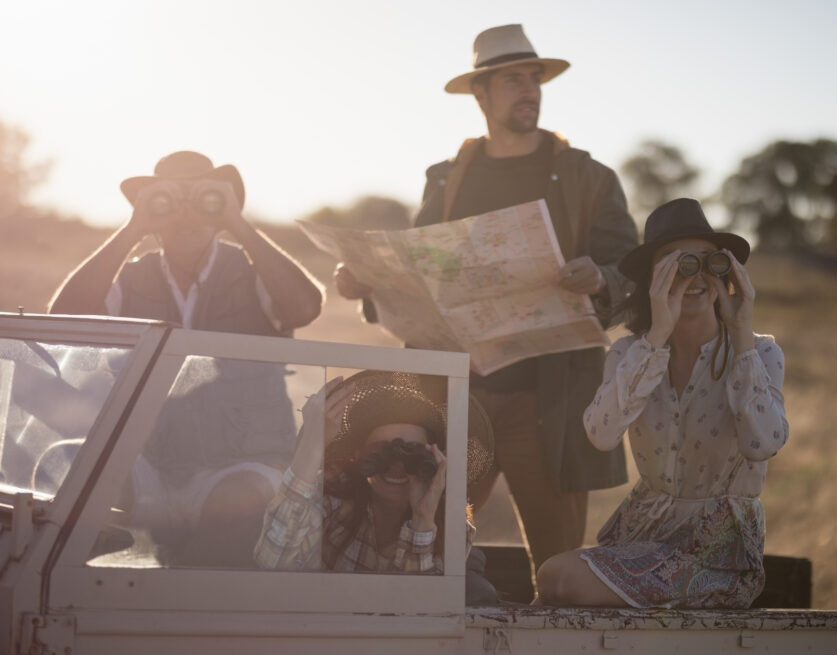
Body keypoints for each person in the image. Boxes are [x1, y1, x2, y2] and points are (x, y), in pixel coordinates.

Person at [333, 24, 638, 583]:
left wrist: (602, 278)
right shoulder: (446, 180)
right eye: (514, 80)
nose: (530, 90)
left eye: (535, 79)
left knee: (556, 567)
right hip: (454, 400)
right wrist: (368, 284)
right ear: (481, 95)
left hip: (549, 400)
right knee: (428, 548)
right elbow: (418, 273)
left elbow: (635, 276)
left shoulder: (589, 178)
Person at [47, 151, 324, 566]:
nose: (187, 215)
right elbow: (64, 321)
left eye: (205, 199)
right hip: (150, 463)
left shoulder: (254, 274)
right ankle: (65, 604)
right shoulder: (132, 276)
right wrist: (132, 231)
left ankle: (176, 601)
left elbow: (304, 307)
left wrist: (239, 225)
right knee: (67, 471)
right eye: (168, 202)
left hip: (240, 460)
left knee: (239, 503)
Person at [533, 198, 789, 608]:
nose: (696, 275)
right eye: (676, 264)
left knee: (559, 578)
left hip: (717, 558)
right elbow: (600, 434)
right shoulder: (631, 354)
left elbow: (762, 444)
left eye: (708, 262)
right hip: (644, 540)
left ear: (728, 275)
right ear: (652, 280)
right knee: (551, 583)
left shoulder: (759, 356)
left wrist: (741, 333)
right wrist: (656, 339)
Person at [254, 370, 494, 575]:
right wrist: (312, 445)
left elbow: (419, 610)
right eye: (381, 452)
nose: (396, 466)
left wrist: (423, 519)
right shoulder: (331, 501)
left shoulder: (451, 526)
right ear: (358, 456)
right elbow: (271, 562)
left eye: (412, 454)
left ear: (434, 459)